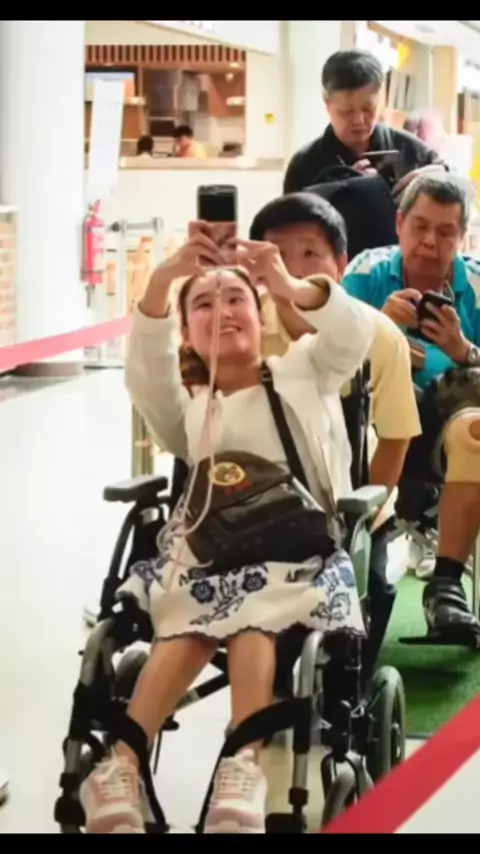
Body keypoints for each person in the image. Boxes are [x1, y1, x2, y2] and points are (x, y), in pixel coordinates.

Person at [79, 230, 375, 834]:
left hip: (299, 555)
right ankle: (121, 765)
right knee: (199, 608)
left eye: (236, 298)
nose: (223, 311)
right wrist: (163, 281)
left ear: (261, 315)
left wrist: (289, 285)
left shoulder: (304, 370)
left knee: (247, 608)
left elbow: (354, 335)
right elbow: (145, 373)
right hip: (209, 557)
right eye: (204, 304)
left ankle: (241, 763)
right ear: (187, 334)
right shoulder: (190, 407)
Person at [248, 191, 421, 673]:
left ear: (341, 264)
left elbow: (396, 436)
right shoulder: (241, 328)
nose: (293, 269)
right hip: (258, 512)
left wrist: (361, 516)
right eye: (277, 256)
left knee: (354, 650)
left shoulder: (378, 336)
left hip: (352, 508)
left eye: (310, 253)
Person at [342, 173, 480, 637]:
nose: (430, 241)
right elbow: (328, 358)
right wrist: (378, 327)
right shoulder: (366, 273)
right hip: (373, 424)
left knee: (473, 425)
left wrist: (464, 350)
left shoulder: (476, 284)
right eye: (420, 226)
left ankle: (446, 587)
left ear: (463, 237)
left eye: (445, 232)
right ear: (399, 224)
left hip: (452, 426)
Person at [284, 49, 447, 198]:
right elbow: (289, 218)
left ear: (380, 100)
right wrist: (341, 190)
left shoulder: (410, 150)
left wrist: (434, 182)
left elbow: (452, 185)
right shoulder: (305, 165)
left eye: (368, 109)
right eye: (346, 111)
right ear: (327, 103)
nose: (359, 120)